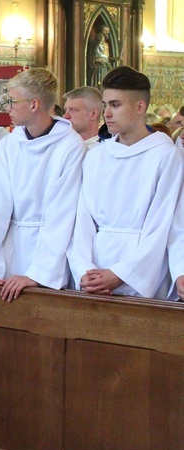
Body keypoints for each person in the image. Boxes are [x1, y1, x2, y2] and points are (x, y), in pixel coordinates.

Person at [0, 68, 85, 310]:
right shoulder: (10, 145)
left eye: (12, 101)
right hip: (10, 253)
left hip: (50, 258)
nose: (7, 107)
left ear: (34, 105)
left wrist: (39, 272)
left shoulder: (70, 146)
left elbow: (62, 215)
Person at [68, 66, 183, 299]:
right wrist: (83, 269)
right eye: (105, 105)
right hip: (94, 272)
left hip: (143, 272)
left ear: (140, 107)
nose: (107, 114)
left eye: (115, 105)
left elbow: (163, 225)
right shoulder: (96, 155)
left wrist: (123, 273)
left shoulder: (164, 155)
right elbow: (82, 220)